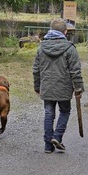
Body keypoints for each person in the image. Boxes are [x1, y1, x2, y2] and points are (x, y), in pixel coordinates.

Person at [33, 18, 84, 153]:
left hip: (47, 86)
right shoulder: (70, 48)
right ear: (65, 32)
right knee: (65, 111)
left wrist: (37, 86)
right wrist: (78, 88)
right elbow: (75, 71)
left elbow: (36, 70)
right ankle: (57, 137)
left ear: (50, 31)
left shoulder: (41, 48)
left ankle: (48, 145)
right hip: (64, 87)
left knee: (49, 113)